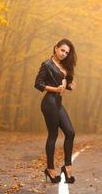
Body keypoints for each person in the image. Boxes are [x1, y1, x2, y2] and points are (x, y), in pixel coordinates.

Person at [34, 38, 77, 184]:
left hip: (58, 102)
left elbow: (64, 84)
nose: (64, 53)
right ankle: (51, 170)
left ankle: (67, 167)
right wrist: (55, 89)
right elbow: (38, 84)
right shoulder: (47, 64)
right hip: (49, 102)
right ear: (56, 48)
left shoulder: (64, 65)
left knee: (70, 132)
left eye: (67, 52)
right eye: (62, 50)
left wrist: (69, 85)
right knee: (53, 135)